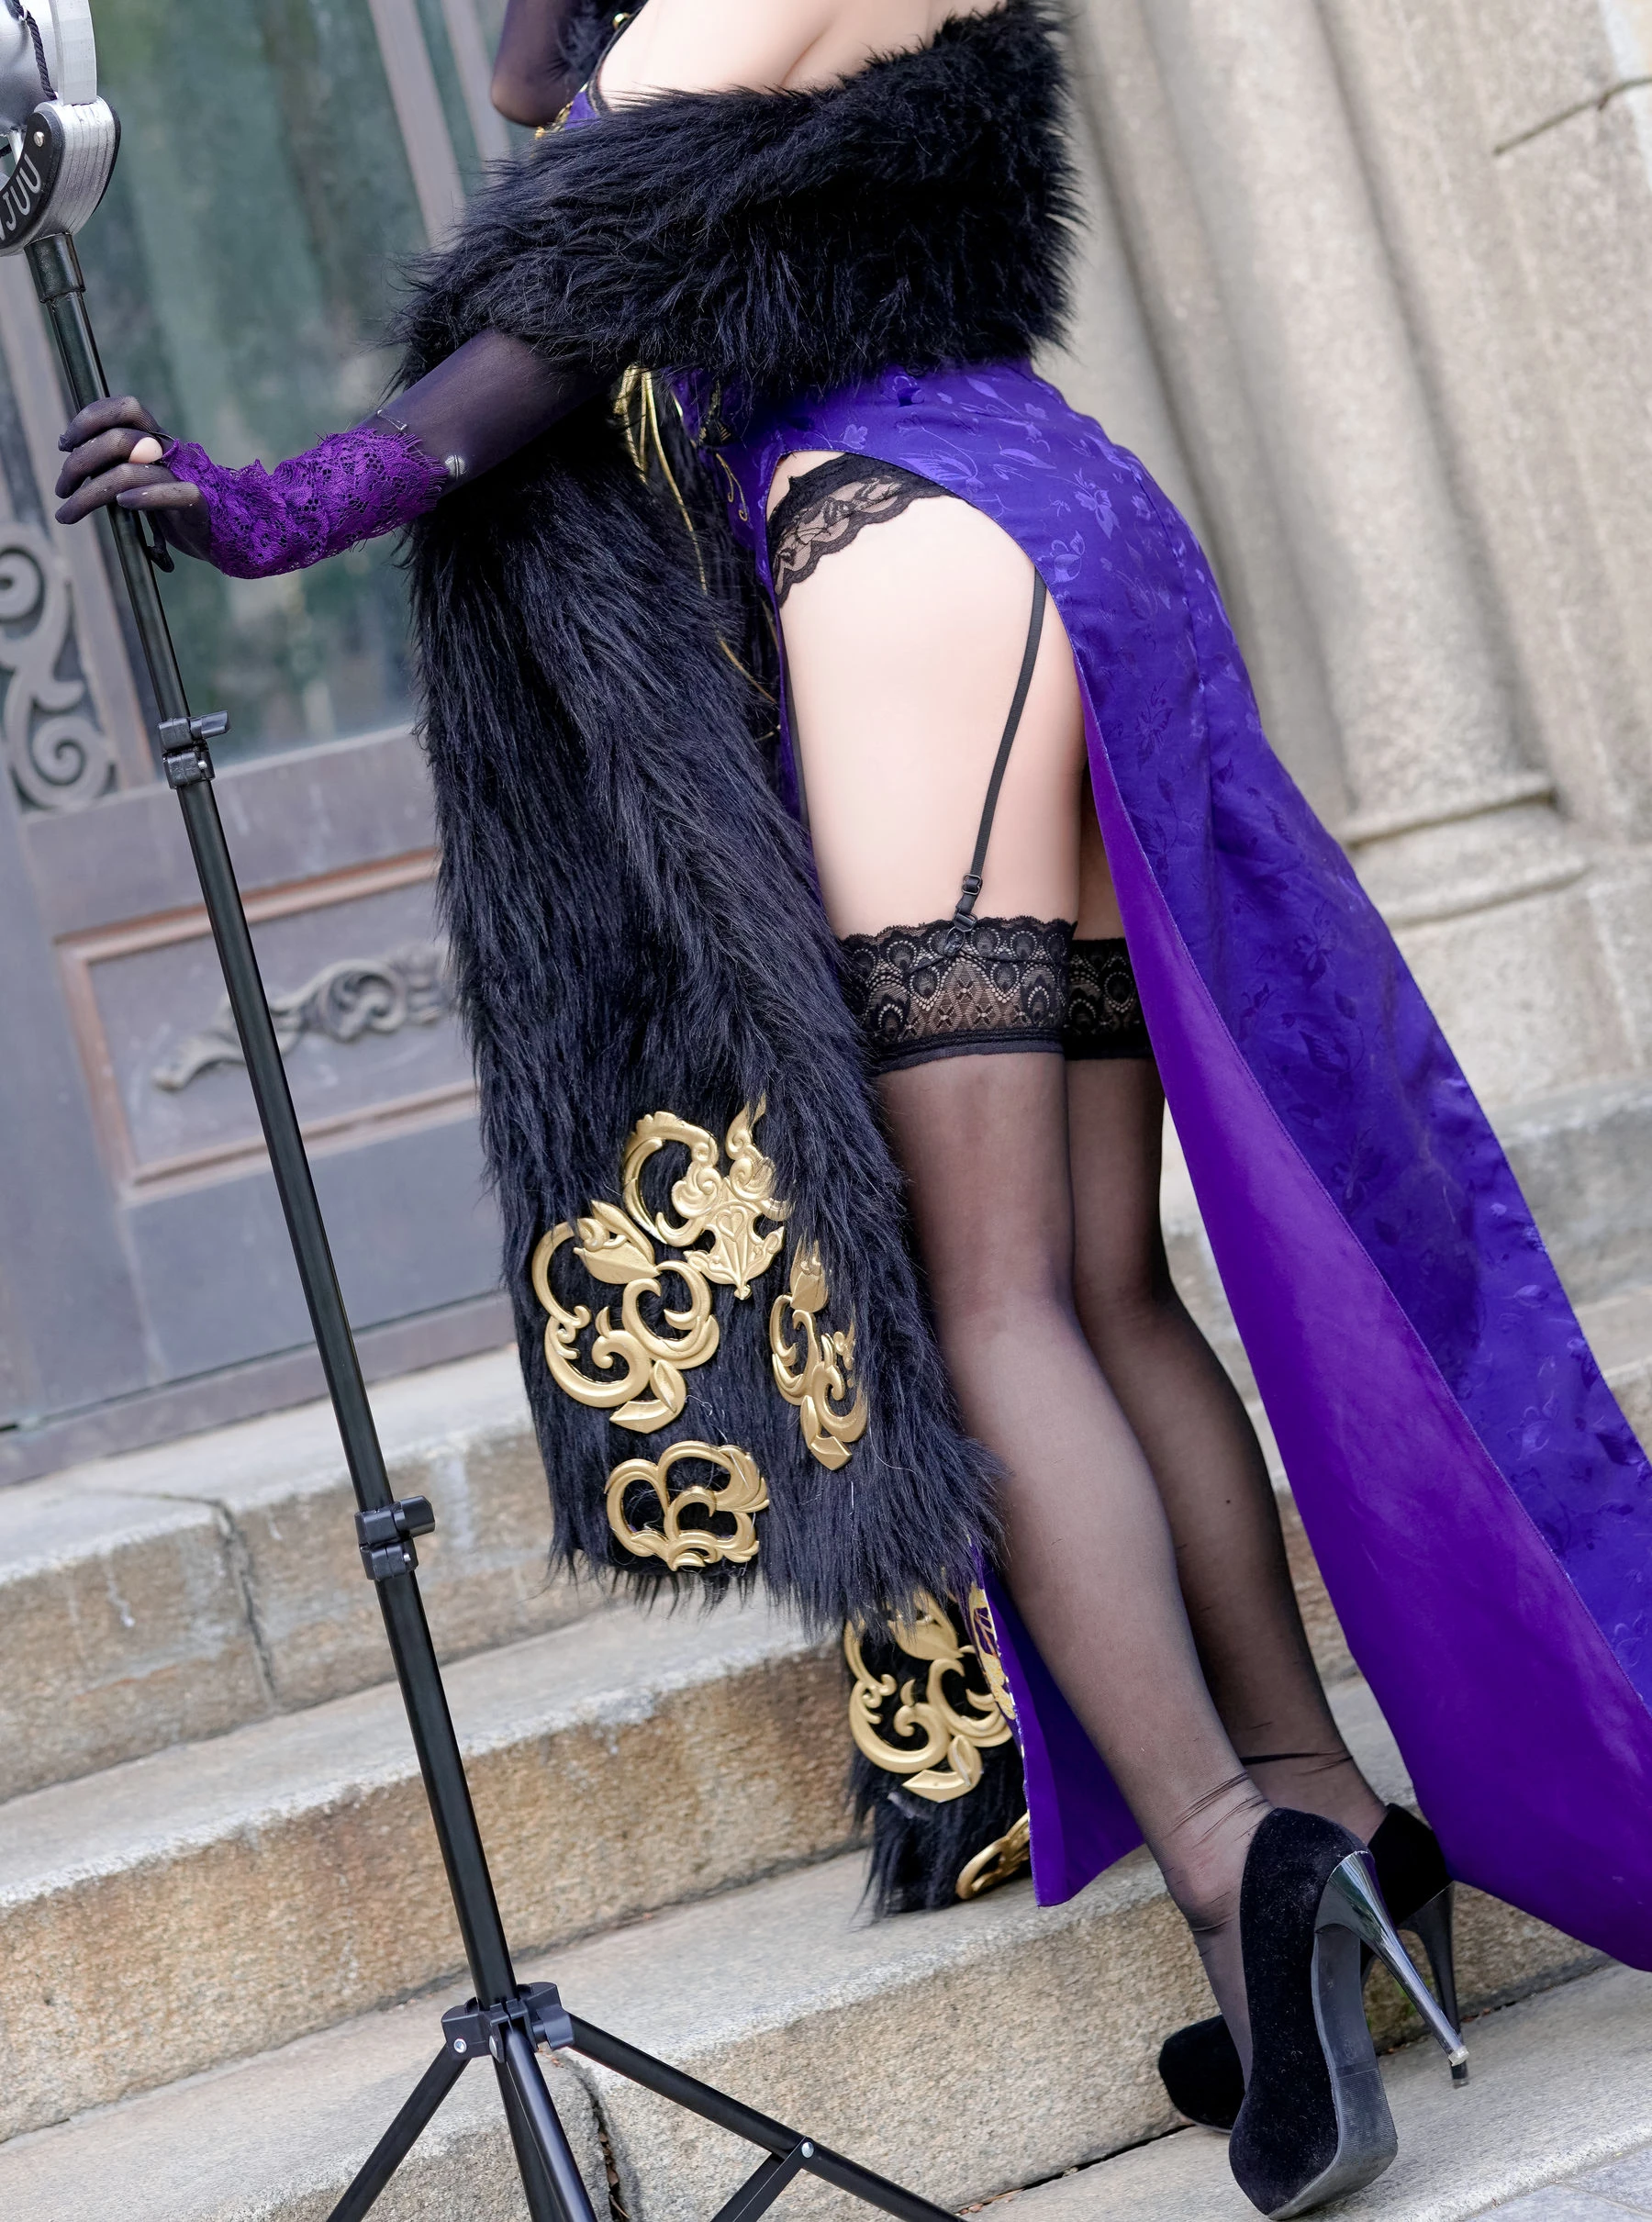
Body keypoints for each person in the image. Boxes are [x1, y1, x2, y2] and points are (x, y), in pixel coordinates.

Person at [55, 2, 1652, 2211]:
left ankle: (1234, 1862)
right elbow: (545, 88)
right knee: (1102, 1277)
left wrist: (277, 504)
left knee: (987, 1300)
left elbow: (570, 271)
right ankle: (1329, 1816)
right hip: (1048, 513)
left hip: (898, 553)